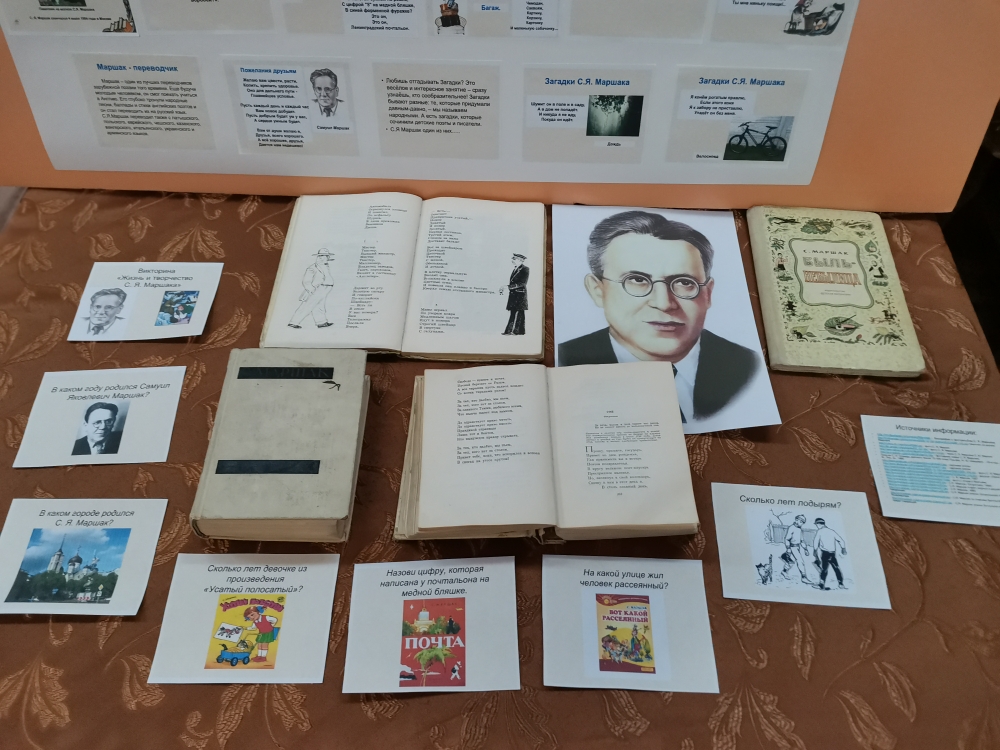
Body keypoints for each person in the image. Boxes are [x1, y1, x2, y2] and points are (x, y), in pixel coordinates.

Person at [557, 211, 760, 422]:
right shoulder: (566, 361)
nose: (664, 303)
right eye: (637, 280)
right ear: (598, 291)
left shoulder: (748, 367)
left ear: (707, 294)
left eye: (684, 282)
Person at [288, 249, 336, 329]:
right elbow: (306, 281)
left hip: (326, 288)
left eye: (325, 256)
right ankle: (293, 322)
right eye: (320, 256)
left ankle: (321, 322)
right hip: (317, 288)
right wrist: (311, 289)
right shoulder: (312, 267)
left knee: (319, 305)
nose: (322, 258)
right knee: (307, 305)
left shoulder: (326, 266)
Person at [812, 517, 848, 590]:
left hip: (825, 554)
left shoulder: (819, 531)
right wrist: (843, 549)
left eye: (816, 524)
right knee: (836, 568)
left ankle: (821, 585)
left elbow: (816, 542)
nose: (816, 526)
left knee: (824, 569)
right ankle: (841, 584)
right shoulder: (831, 531)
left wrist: (815, 551)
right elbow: (841, 540)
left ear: (819, 524)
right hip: (832, 553)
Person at [780, 514, 813, 585]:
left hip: (797, 547)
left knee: (791, 562)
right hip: (792, 547)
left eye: (803, 522)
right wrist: (788, 549)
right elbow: (787, 539)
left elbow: (802, 540)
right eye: (801, 522)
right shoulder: (791, 528)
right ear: (796, 520)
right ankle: (804, 577)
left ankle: (784, 571)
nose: (801, 523)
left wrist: (805, 549)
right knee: (800, 562)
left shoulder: (799, 529)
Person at [502, 253, 529, 336]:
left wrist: (508, 287)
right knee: (514, 312)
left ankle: (515, 331)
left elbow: (522, 283)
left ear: (520, 260)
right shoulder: (516, 269)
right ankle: (514, 331)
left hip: (520, 295)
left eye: (514, 259)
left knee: (518, 313)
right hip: (514, 294)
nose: (512, 260)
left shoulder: (525, 269)